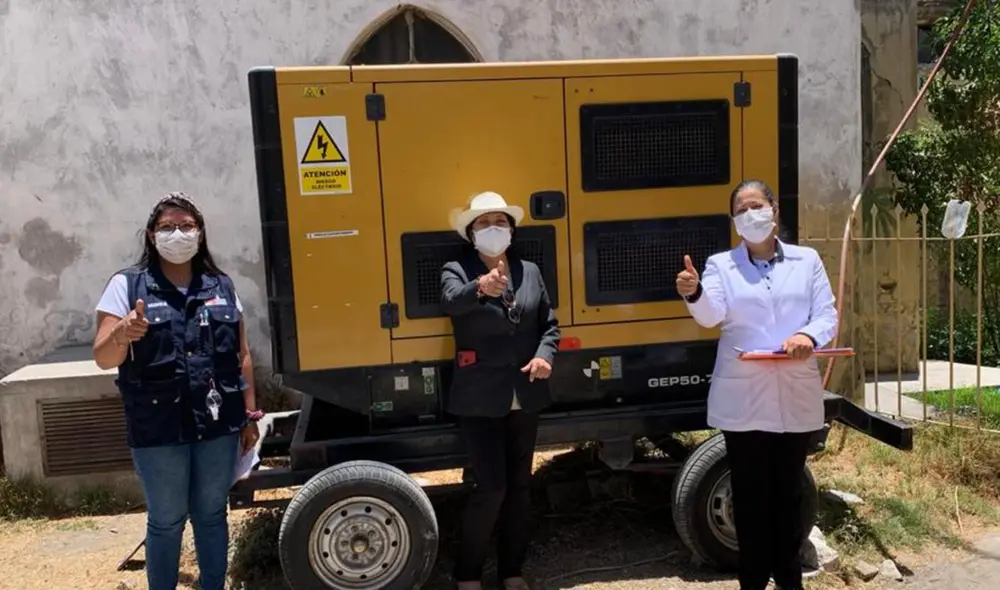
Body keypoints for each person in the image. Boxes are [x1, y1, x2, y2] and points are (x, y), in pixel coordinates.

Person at [92, 192, 263, 590]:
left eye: (187, 226)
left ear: (200, 234)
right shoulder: (127, 285)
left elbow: (242, 355)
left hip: (218, 424)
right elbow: (103, 356)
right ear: (151, 236)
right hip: (158, 429)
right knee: (167, 519)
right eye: (167, 227)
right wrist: (122, 332)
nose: (178, 234)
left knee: (210, 514)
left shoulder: (220, 285)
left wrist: (250, 417)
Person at [675, 180, 838, 590]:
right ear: (734, 221)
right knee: (749, 496)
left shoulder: (807, 260)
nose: (751, 214)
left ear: (774, 209)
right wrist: (693, 293)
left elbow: (827, 314)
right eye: (741, 209)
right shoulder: (720, 265)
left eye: (757, 205)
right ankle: (751, 581)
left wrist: (809, 338)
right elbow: (711, 315)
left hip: (795, 391)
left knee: (789, 494)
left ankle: (789, 580)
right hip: (744, 396)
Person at [440, 191, 561, 590]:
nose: (493, 229)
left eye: (500, 222)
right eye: (483, 223)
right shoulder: (456, 268)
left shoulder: (530, 270)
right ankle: (468, 573)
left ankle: (511, 571)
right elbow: (451, 301)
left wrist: (545, 356)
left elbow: (549, 324)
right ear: (470, 233)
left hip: (525, 394)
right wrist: (481, 287)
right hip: (478, 398)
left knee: (520, 489)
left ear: (511, 229)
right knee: (491, 487)